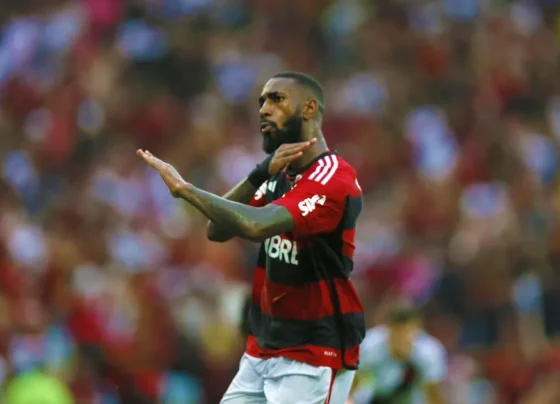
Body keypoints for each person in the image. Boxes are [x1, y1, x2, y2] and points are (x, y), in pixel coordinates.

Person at [137, 71, 366, 403]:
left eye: (277, 99)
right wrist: (260, 173)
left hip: (315, 349)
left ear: (309, 108)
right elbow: (218, 230)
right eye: (261, 102)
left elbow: (256, 225)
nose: (264, 109)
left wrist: (186, 190)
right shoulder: (279, 175)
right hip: (264, 347)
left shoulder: (333, 178)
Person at [351, 306, 447, 404]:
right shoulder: (370, 347)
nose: (403, 340)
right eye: (398, 334)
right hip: (374, 398)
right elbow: (353, 382)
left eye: (408, 333)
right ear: (388, 330)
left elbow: (432, 393)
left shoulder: (429, 353)